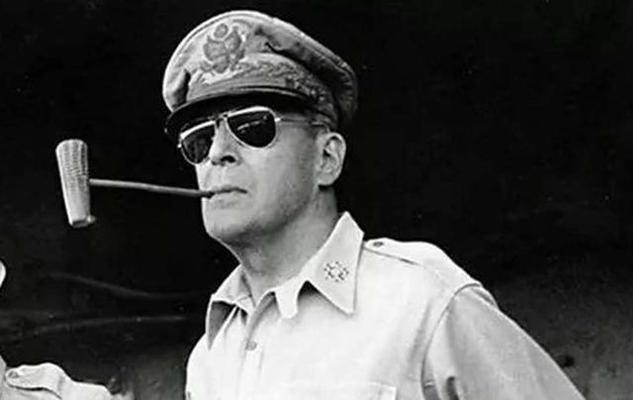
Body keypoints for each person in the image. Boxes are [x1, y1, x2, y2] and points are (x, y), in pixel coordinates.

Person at [161, 10, 585, 400]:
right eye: (199, 140)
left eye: (252, 126)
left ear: (327, 158)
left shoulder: (421, 300)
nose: (217, 153)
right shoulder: (211, 356)